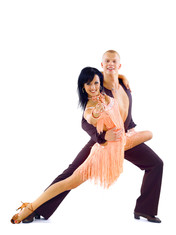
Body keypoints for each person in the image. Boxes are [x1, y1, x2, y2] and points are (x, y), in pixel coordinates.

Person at [12, 50, 163, 224]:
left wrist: (131, 128)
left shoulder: (123, 84)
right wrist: (103, 136)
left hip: (124, 139)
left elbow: (125, 111)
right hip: (103, 141)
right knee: (71, 174)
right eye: (107, 61)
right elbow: (86, 122)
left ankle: (145, 210)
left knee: (156, 164)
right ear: (102, 65)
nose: (111, 64)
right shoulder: (98, 88)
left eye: (114, 62)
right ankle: (37, 208)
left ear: (119, 65)